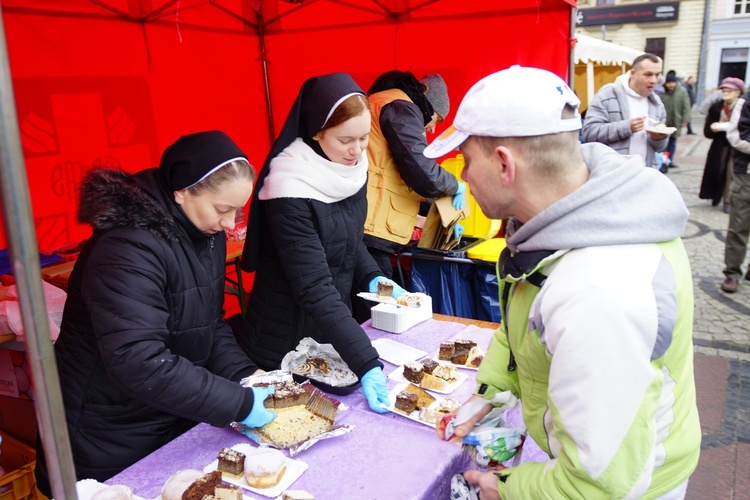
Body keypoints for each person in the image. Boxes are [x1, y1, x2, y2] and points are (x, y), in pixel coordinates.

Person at [426, 66, 701, 499]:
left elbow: (598, 485)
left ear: (503, 164)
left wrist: (505, 489)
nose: (462, 176)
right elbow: (528, 329)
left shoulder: (599, 292)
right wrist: (492, 391)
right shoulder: (577, 218)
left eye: (466, 160)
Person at [34, 131, 275, 495]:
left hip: (166, 411)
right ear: (182, 192)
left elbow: (207, 325)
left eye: (238, 210)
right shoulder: (127, 245)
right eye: (223, 209)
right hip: (108, 430)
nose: (230, 223)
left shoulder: (203, 231)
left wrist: (245, 375)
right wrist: (238, 403)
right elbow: (138, 359)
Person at [237, 73, 394, 413]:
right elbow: (314, 288)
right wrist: (366, 362)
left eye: (365, 137)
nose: (357, 150)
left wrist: (373, 277)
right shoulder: (289, 185)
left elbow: (350, 239)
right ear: (316, 131)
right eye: (345, 139)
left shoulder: (351, 168)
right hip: (285, 338)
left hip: (328, 332)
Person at [362, 71, 464, 277]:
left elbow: (400, 173)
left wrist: (440, 211)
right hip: (372, 224)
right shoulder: (401, 107)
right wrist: (454, 186)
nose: (433, 129)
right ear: (429, 104)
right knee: (378, 302)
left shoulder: (384, 101)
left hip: (365, 218)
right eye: (437, 119)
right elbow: (421, 171)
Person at [581, 53, 669, 170]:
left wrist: (659, 138)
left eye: (657, 75)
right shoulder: (607, 94)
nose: (653, 80)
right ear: (632, 73)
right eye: (648, 74)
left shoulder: (656, 103)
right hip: (611, 173)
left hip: (644, 174)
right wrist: (626, 127)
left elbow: (659, 148)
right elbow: (589, 133)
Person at [699, 77, 745, 212]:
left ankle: (728, 201)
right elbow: (707, 131)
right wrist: (712, 128)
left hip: (737, 146)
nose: (725, 93)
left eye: (729, 90)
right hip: (719, 145)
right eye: (724, 90)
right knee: (717, 170)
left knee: (732, 173)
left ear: (738, 92)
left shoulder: (743, 108)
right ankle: (715, 196)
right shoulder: (716, 107)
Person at [721, 85, 750, 293]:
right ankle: (732, 272)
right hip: (746, 174)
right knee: (739, 225)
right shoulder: (745, 102)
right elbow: (736, 135)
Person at [662, 70, 692, 168]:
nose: (671, 85)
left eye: (673, 83)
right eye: (669, 83)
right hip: (664, 122)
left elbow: (686, 105)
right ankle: (662, 161)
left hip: (676, 121)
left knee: (673, 142)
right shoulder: (662, 92)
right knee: (663, 143)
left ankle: (670, 161)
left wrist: (686, 119)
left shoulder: (682, 91)